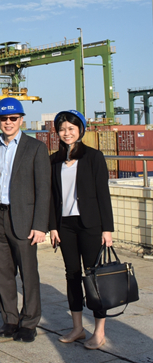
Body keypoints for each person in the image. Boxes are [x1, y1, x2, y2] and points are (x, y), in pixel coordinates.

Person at [49, 109, 114, 350]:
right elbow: (52, 197)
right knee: (72, 275)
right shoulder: (54, 160)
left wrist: (107, 229)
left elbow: (103, 194)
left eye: (71, 128)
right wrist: (52, 227)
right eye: (62, 129)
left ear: (81, 130)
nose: (66, 133)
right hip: (65, 225)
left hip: (90, 225)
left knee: (94, 276)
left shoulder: (94, 157)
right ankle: (77, 328)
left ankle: (99, 331)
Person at [0, 98, 50, 343]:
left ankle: (29, 322)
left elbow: (44, 189)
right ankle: (10, 320)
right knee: (3, 272)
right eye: (4, 118)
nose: (8, 122)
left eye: (13, 118)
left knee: (28, 273)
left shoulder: (35, 148)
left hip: (24, 219)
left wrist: (40, 225)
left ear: (21, 120)